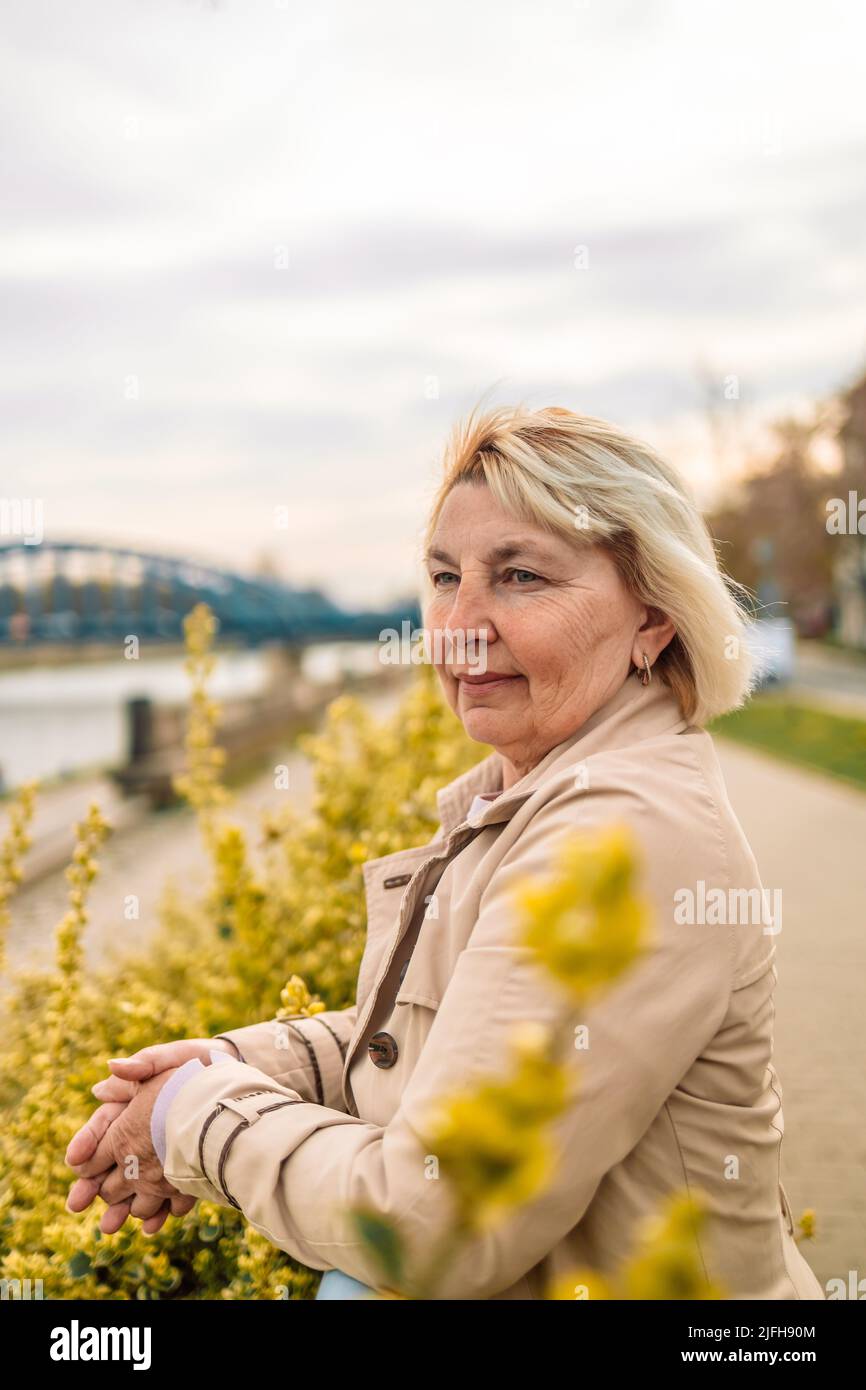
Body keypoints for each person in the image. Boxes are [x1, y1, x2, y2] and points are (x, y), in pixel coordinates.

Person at [66, 404, 825, 1300]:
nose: (461, 623)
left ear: (653, 619)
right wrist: (236, 1066)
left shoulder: (618, 835)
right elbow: (463, 1035)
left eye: (521, 577)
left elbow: (427, 1229)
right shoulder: (538, 794)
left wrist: (192, 1121)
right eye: (442, 576)